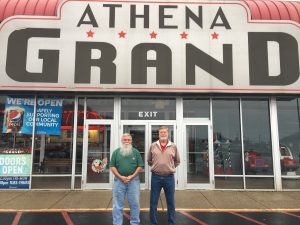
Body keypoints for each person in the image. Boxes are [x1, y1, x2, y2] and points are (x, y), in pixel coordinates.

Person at [147, 126, 181, 225]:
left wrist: (169, 167)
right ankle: (153, 223)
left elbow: (177, 161)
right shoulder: (153, 146)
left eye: (165, 132)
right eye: (161, 132)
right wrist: (157, 166)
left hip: (169, 178)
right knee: (153, 202)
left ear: (168, 133)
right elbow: (149, 160)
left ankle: (171, 223)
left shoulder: (173, 146)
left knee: (170, 202)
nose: (163, 134)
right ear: (158, 134)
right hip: (156, 177)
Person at [110, 133, 144, 225]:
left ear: (131, 141)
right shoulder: (116, 152)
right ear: (122, 140)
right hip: (119, 181)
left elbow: (140, 166)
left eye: (128, 140)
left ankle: (135, 222)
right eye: (125, 139)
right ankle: (117, 223)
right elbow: (112, 166)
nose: (127, 141)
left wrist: (132, 176)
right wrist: (120, 177)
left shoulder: (136, 152)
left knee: (135, 204)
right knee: (117, 205)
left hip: (133, 181)